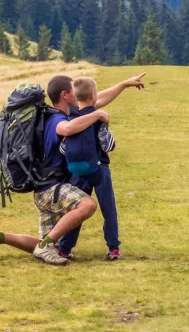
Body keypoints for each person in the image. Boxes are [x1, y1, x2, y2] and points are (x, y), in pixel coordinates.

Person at [0, 72, 145, 265]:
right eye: (75, 90)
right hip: (53, 188)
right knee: (87, 205)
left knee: (46, 244)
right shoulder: (57, 120)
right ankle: (45, 247)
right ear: (65, 95)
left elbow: (94, 98)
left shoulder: (58, 115)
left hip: (43, 190)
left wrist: (124, 84)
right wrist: (97, 114)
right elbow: (66, 129)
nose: (79, 94)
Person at [57, 76, 122, 261]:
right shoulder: (97, 118)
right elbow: (108, 146)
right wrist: (106, 127)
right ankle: (113, 247)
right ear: (93, 95)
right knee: (107, 208)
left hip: (77, 172)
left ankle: (65, 248)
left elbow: (63, 148)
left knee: (77, 210)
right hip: (100, 170)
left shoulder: (72, 119)